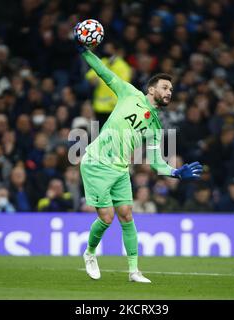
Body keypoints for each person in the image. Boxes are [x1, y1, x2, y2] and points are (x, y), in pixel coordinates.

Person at [74, 25, 203, 283]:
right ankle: (89, 253)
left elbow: (156, 162)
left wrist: (175, 172)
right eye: (165, 87)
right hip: (97, 163)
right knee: (107, 217)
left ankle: (134, 271)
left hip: (121, 169)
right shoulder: (129, 92)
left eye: (171, 90)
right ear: (152, 88)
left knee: (127, 215)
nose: (169, 92)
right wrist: (85, 52)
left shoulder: (155, 126)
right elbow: (102, 72)